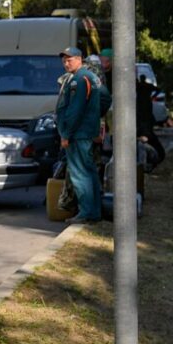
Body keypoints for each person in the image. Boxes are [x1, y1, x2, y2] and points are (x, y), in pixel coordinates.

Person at [56, 47, 103, 224]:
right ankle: (93, 212)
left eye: (70, 60)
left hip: (77, 134)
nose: (66, 63)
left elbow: (75, 111)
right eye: (64, 60)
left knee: (79, 174)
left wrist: (66, 134)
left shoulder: (79, 80)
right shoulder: (89, 77)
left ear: (79, 59)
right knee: (89, 172)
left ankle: (86, 213)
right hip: (85, 132)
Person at [136, 74, 165, 169]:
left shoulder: (141, 85)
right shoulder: (145, 85)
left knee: (145, 117)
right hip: (144, 105)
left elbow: (158, 89)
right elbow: (159, 89)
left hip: (143, 105)